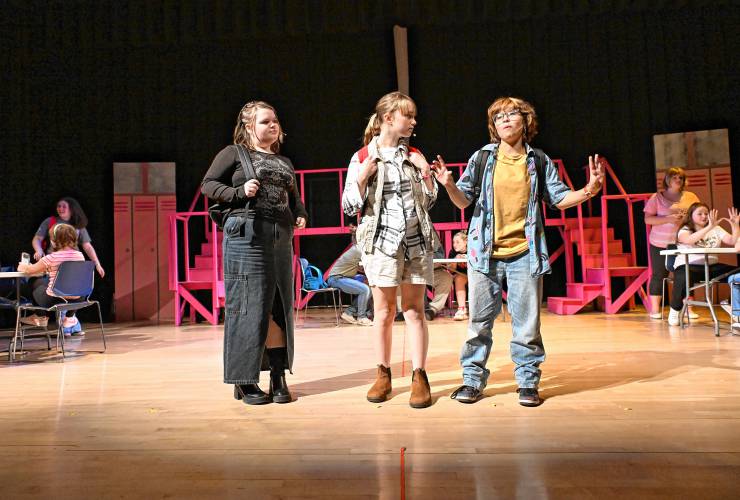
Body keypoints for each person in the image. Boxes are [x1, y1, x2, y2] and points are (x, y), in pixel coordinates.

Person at [433, 96, 604, 407]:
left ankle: (527, 382)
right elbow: (463, 202)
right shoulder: (483, 158)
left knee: (526, 324)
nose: (505, 120)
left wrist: (589, 189)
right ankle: (472, 381)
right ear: (493, 126)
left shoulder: (537, 160)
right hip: (484, 252)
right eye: (499, 117)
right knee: (479, 323)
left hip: (525, 252)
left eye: (512, 114)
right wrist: (448, 184)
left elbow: (560, 198)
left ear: (526, 122)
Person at [201, 101, 308, 405]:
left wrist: (300, 213)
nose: (273, 126)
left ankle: (278, 374)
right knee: (248, 307)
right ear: (249, 126)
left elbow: (293, 198)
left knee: (278, 307)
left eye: (275, 121)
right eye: (265, 122)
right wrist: (237, 193)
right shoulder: (234, 154)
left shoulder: (284, 161)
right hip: (247, 239)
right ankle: (244, 380)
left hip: (280, 240)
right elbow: (208, 185)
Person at [342, 91, 438, 409]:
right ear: (388, 118)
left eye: (413, 116)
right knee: (383, 312)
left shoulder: (414, 155)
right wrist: (361, 179)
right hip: (381, 245)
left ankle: (419, 376)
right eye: (407, 116)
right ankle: (382, 375)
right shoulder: (362, 158)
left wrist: (425, 172)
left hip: (415, 242)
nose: (413, 121)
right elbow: (348, 206)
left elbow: (430, 199)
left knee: (415, 311)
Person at [668, 204, 739, 326]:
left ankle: (729, 303)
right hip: (688, 265)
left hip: (711, 267)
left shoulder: (716, 229)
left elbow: (732, 240)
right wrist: (709, 227)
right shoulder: (685, 229)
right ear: (691, 215)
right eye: (700, 214)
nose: (704, 216)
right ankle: (675, 309)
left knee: (737, 274)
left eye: (706, 213)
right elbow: (689, 240)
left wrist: (735, 224)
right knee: (682, 277)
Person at [643, 167, 700, 319]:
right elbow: (648, 219)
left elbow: (699, 215)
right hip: (660, 243)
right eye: (674, 177)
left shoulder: (691, 196)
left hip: (684, 242)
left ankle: (689, 309)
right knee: (659, 275)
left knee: (686, 274)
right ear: (667, 179)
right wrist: (668, 219)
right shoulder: (657, 197)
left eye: (680, 178)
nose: (678, 180)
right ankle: (655, 310)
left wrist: (685, 219)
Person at [17, 223, 86, 335]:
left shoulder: (51, 257)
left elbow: (30, 270)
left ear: (54, 241)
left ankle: (40, 316)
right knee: (48, 283)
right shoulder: (80, 256)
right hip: (78, 299)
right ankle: (69, 317)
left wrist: (22, 266)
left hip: (55, 300)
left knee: (35, 283)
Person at [32, 197, 105, 278]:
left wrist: (97, 264)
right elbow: (37, 239)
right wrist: (39, 250)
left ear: (71, 208)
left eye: (64, 206)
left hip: (73, 263)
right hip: (54, 262)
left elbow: (87, 247)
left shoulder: (78, 224)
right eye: (58, 206)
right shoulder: (50, 221)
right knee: (41, 284)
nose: (60, 208)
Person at [326, 238, 374, 326]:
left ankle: (349, 312)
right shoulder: (359, 250)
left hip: (345, 277)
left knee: (369, 289)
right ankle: (362, 317)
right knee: (365, 289)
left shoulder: (359, 249)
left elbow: (361, 267)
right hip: (337, 278)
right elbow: (370, 265)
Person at [448, 231, 469, 321]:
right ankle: (462, 309)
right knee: (459, 278)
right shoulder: (452, 252)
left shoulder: (472, 250)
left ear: (466, 242)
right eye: (453, 242)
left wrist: (468, 259)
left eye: (457, 242)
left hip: (475, 275)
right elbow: (451, 270)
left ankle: (479, 309)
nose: (455, 245)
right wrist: (455, 260)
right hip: (462, 276)